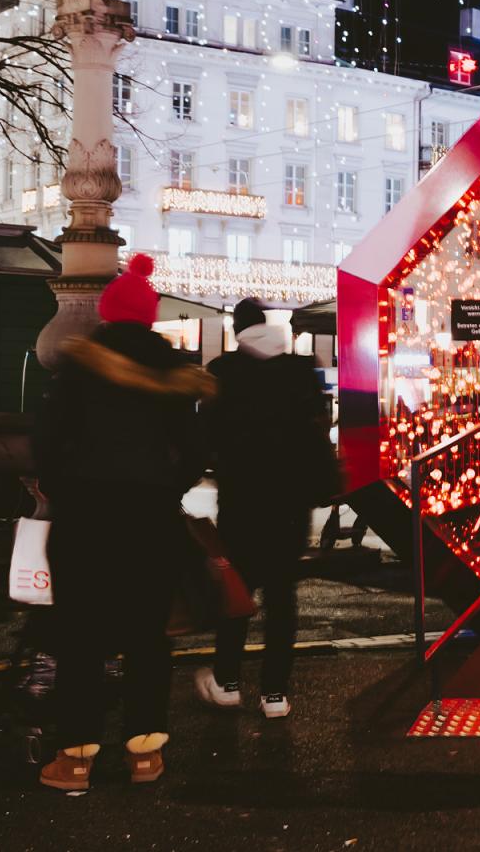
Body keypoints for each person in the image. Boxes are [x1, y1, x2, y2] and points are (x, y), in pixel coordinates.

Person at [34, 255, 215, 791]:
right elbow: (194, 453)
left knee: (80, 634)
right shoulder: (173, 375)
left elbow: (47, 443)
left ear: (107, 313)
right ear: (150, 315)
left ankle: (76, 755)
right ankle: (145, 752)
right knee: (147, 635)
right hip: (150, 521)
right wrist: (165, 488)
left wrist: (65, 489)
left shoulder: (78, 368)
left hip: (84, 520)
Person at [196, 298, 333, 719]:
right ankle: (274, 693)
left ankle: (227, 682)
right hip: (289, 503)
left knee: (236, 592)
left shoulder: (223, 372)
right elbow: (317, 429)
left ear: (237, 331)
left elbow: (206, 434)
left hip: (241, 500)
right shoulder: (299, 370)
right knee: (281, 597)